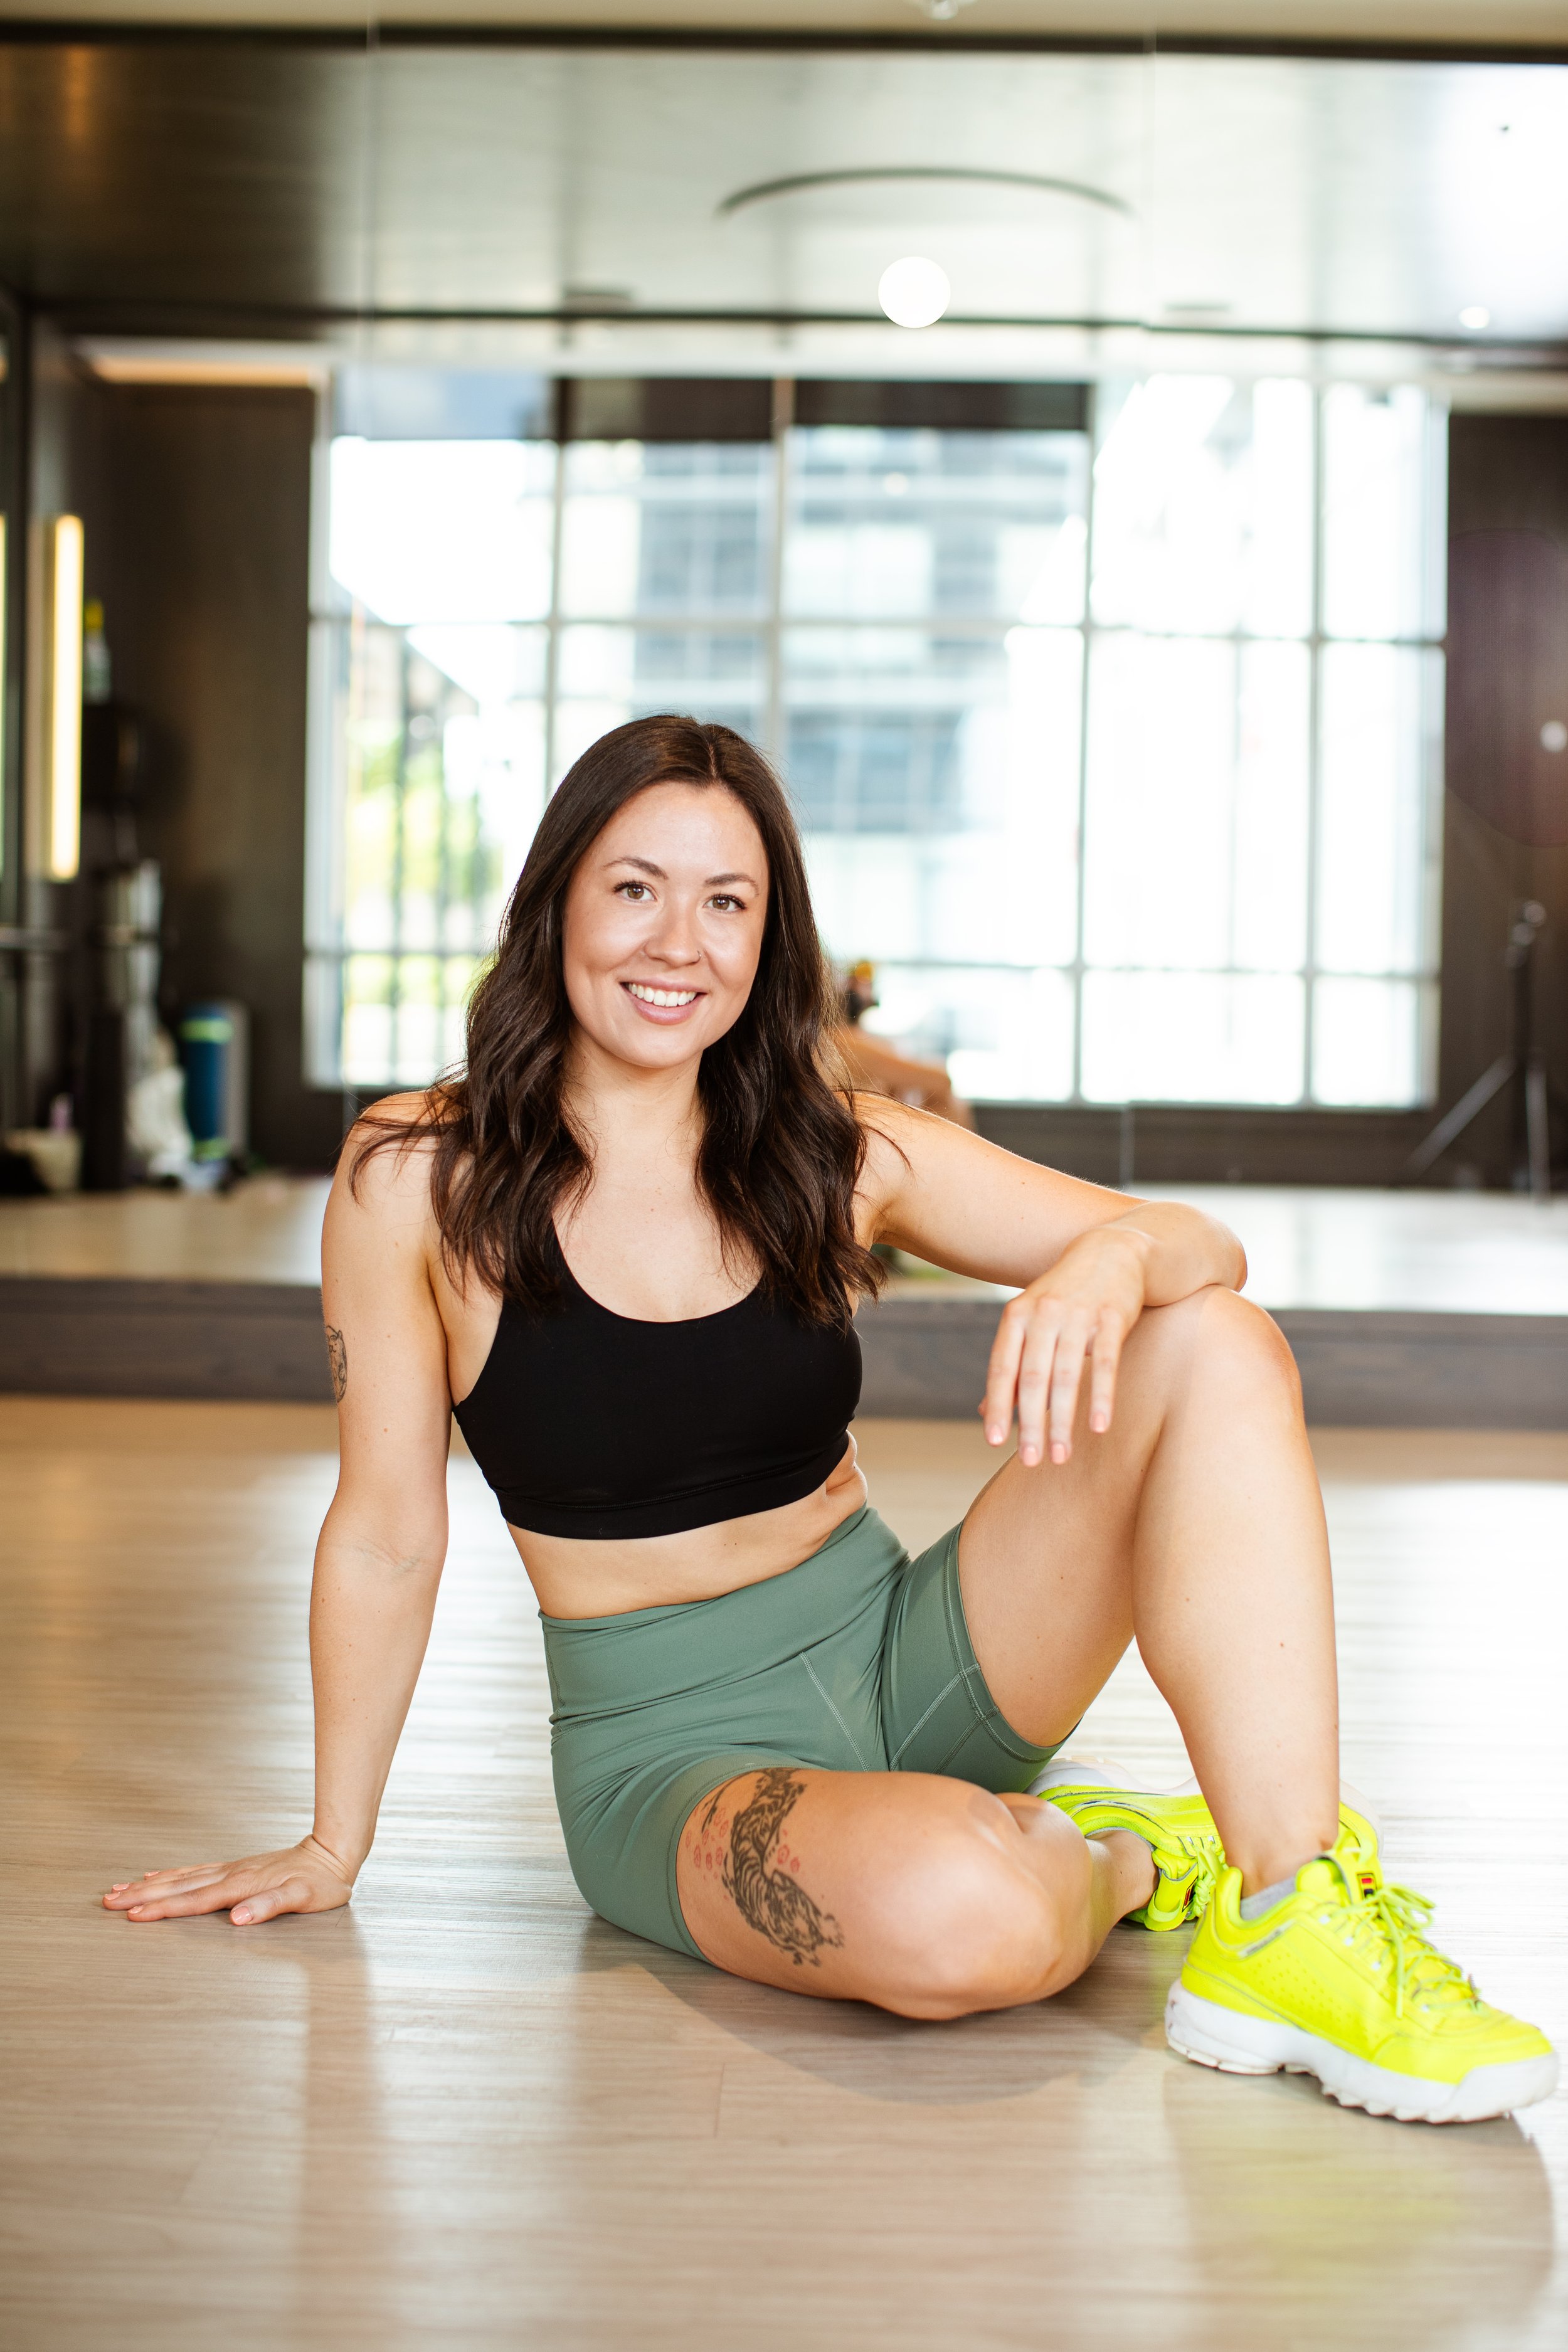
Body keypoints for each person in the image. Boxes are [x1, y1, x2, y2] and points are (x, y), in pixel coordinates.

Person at [105, 716, 1556, 2128]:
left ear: (766, 937)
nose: (678, 942)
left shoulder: (830, 1145)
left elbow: (1197, 1249)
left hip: (913, 1656)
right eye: (635, 888)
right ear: (553, 904)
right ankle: (1129, 1854)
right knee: (967, 1926)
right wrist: (332, 1839)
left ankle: (1286, 1902)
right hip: (672, 1757)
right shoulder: (417, 1172)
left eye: (724, 901)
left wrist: (1107, 1260)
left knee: (1213, 1339)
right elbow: (384, 1530)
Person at [830, 959, 977, 1128]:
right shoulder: (842, 1040)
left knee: (943, 1097)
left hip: (874, 1127)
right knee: (949, 1097)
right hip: (867, 1132)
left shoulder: (857, 1039)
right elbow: (941, 1079)